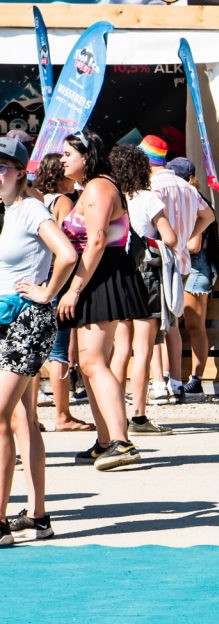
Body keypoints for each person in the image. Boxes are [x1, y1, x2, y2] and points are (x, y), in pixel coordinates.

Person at [0, 134, 75, 545]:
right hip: (6, 319)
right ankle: (38, 515)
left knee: (1, 415)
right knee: (21, 418)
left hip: (27, 320)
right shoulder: (8, 211)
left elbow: (67, 254)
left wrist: (48, 292)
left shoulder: (31, 209)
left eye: (2, 167)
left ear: (20, 173)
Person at [57, 129, 144, 471]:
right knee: (88, 362)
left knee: (94, 362)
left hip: (101, 276)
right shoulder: (93, 187)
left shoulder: (98, 187)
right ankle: (106, 440)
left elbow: (96, 240)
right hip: (95, 275)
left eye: (68, 154)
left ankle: (121, 441)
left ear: (86, 156)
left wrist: (74, 289)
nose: (62, 160)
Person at [112, 145, 176, 436]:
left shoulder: (113, 198)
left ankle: (114, 415)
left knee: (120, 350)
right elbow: (170, 237)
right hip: (145, 274)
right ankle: (138, 417)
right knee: (143, 350)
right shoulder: (148, 198)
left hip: (118, 275)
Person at [31, 155, 85, 434]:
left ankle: (32, 416)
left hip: (36, 277)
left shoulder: (36, 201)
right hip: (56, 277)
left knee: (33, 350)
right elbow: (67, 242)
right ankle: (63, 415)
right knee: (58, 350)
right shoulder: (63, 202)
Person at [163, 157, 216, 401]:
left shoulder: (193, 198)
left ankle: (195, 379)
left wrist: (172, 240)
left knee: (192, 325)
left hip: (195, 267)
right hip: (186, 266)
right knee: (177, 324)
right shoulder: (186, 197)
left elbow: (194, 245)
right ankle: (176, 378)